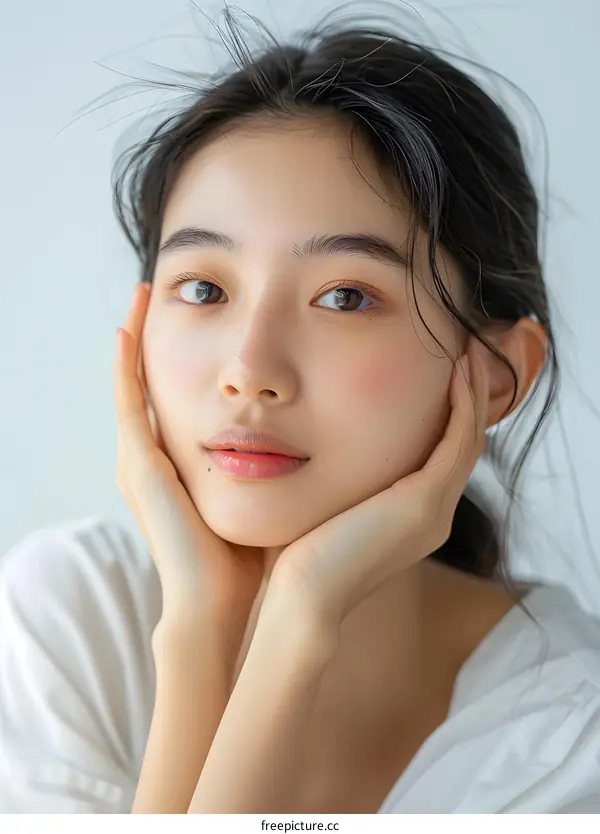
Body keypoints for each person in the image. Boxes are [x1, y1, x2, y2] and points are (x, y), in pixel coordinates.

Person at [2, 6, 600, 815]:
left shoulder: (568, 741)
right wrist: (198, 641)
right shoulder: (65, 625)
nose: (250, 371)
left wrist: (296, 628)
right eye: (204, 289)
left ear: (494, 374)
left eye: (345, 296)